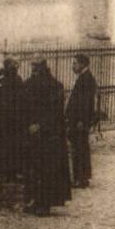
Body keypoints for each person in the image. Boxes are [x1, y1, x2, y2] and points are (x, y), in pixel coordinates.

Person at [22, 58, 72, 215]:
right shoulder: (30, 84)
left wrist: (39, 125)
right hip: (35, 134)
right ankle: (35, 201)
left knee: (48, 170)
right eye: (32, 67)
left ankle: (44, 204)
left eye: (35, 67)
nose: (33, 70)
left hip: (50, 135)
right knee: (34, 169)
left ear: (42, 68)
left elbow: (54, 111)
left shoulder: (54, 86)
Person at [0, 55, 25, 182]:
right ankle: (1, 172)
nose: (16, 67)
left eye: (17, 64)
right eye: (14, 64)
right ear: (8, 65)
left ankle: (12, 172)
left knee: (13, 146)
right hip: (2, 120)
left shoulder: (17, 79)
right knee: (1, 146)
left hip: (14, 120)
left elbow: (21, 98)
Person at [65, 52, 98, 188]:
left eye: (75, 63)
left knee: (79, 149)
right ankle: (81, 177)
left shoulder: (86, 79)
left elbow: (85, 103)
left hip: (79, 121)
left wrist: (81, 121)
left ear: (82, 64)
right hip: (78, 120)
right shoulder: (83, 77)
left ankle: (81, 178)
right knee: (79, 148)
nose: (73, 66)